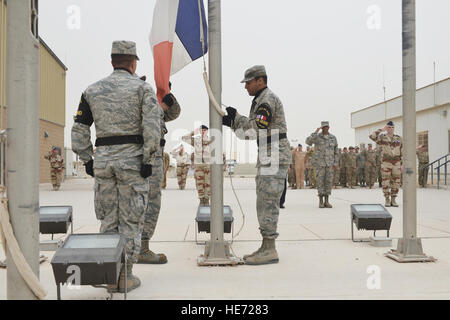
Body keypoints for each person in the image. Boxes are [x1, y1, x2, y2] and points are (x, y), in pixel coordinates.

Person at [71, 40, 161, 292]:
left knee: (109, 219)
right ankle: (125, 276)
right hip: (132, 163)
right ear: (133, 63)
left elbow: (79, 129)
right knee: (132, 220)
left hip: (104, 163)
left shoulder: (92, 90)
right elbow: (152, 128)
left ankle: (110, 272)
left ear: (112, 61)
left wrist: (88, 159)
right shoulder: (143, 89)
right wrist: (148, 160)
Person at [222, 65, 290, 265]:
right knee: (264, 200)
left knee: (267, 202)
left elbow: (253, 131)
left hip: (273, 154)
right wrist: (236, 118)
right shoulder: (261, 100)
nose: (246, 87)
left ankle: (270, 249)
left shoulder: (266, 100)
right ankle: (266, 245)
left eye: (248, 83)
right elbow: (256, 126)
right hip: (269, 153)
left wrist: (234, 122)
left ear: (260, 80)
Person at [139, 80, 181, 265]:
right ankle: (138, 248)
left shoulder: (155, 107)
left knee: (151, 204)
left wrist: (168, 95)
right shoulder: (139, 104)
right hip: (141, 158)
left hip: (154, 160)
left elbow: (174, 112)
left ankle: (141, 247)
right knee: (142, 204)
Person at [370, 121, 402, 207]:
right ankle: (387, 199)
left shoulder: (399, 138)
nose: (390, 129)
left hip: (396, 163)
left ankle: (393, 199)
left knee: (396, 182)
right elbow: (372, 136)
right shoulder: (382, 138)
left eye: (392, 127)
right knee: (385, 182)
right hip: (386, 162)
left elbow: (403, 151)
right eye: (388, 127)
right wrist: (381, 129)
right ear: (386, 128)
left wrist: (402, 164)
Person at [306, 121, 338, 208]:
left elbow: (336, 152)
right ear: (321, 127)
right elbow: (308, 142)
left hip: (329, 164)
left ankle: (327, 201)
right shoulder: (317, 137)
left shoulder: (333, 138)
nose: (325, 128)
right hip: (319, 164)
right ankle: (320, 201)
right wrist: (315, 132)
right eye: (323, 127)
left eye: (326, 127)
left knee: (328, 182)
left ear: (329, 127)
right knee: (320, 182)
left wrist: (335, 162)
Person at [183, 125, 213, 206]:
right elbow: (184, 138)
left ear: (207, 131)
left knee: (208, 183)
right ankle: (201, 199)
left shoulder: (211, 140)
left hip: (208, 165)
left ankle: (206, 199)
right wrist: (193, 132)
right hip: (198, 165)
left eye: (204, 130)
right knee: (199, 183)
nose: (203, 132)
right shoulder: (196, 140)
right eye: (201, 130)